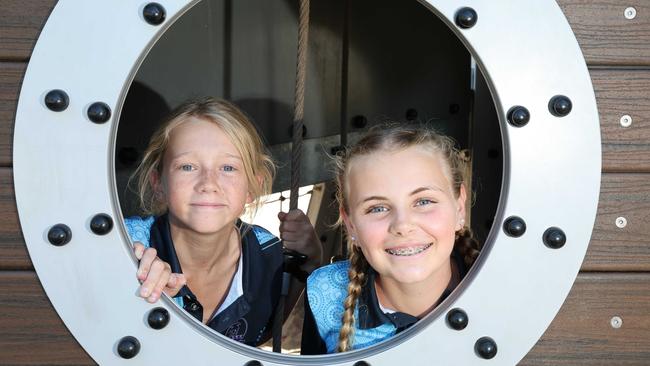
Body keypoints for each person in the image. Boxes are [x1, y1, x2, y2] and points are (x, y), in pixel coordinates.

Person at [124, 97, 322, 346]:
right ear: (158, 183)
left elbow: (265, 331)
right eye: (187, 167)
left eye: (228, 168)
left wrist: (311, 262)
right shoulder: (126, 245)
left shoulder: (269, 257)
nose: (208, 183)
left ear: (253, 187)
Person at [301, 124, 481, 354]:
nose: (403, 226)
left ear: (459, 207)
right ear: (350, 224)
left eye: (423, 202)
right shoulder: (325, 292)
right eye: (377, 208)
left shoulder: (502, 291)